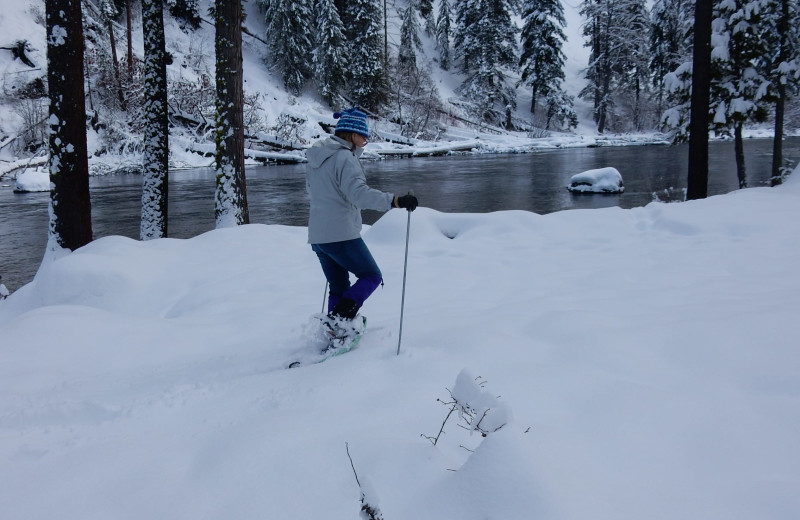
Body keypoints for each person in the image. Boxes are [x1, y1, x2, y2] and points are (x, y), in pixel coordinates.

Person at [306, 108, 418, 324]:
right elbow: (359, 195)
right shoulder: (344, 158)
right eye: (364, 137)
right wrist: (395, 201)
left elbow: (314, 193)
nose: (365, 142)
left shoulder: (316, 159)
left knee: (338, 287)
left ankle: (335, 327)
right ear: (352, 135)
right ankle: (339, 320)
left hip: (319, 238)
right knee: (371, 276)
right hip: (341, 235)